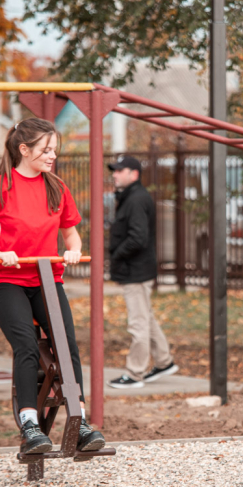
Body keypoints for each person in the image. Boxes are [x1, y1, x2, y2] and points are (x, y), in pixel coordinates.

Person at [0, 117, 105, 454]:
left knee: (66, 345)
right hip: (7, 281)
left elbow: (71, 234)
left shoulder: (57, 187)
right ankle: (30, 426)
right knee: (26, 346)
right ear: (24, 150)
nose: (52, 155)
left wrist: (74, 250)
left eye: (54, 149)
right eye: (46, 149)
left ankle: (80, 422)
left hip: (46, 279)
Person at [107, 156, 178, 389]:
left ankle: (135, 373)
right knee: (146, 317)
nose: (115, 174)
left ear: (134, 174)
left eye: (120, 171)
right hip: (137, 270)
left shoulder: (136, 199)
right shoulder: (131, 197)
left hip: (135, 272)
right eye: (114, 171)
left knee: (138, 324)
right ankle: (164, 362)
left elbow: (138, 238)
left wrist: (116, 255)